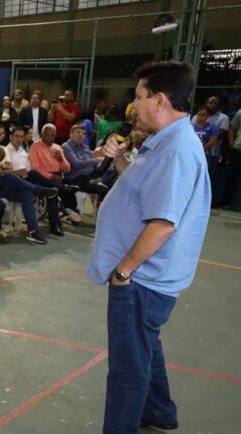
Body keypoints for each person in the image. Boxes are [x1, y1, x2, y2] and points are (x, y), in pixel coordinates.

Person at [87, 61, 210, 434]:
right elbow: (140, 187)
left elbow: (162, 223)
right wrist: (118, 157)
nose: (134, 106)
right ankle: (159, 410)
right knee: (146, 346)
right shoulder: (165, 143)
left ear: (159, 100)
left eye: (139, 97)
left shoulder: (175, 151)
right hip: (149, 278)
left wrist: (124, 270)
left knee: (128, 367)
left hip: (143, 279)